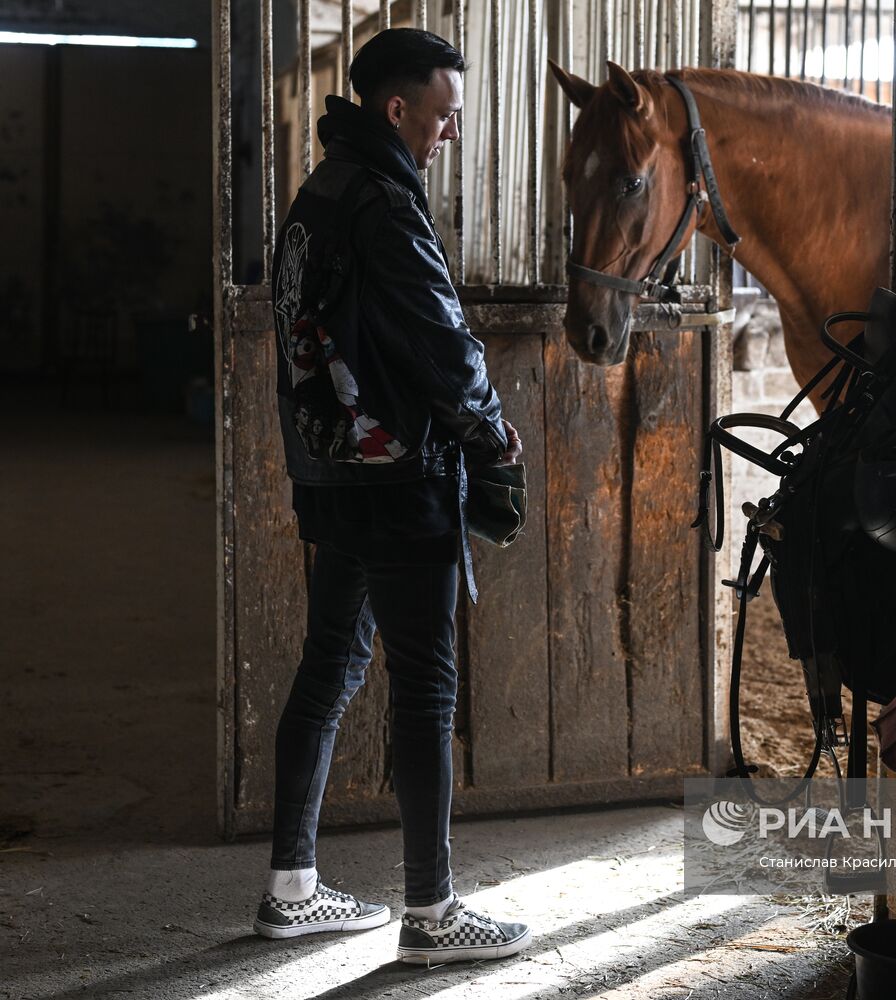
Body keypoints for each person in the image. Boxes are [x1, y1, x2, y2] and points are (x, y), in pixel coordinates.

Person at [254, 27, 531, 965]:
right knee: (425, 690)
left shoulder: (317, 193)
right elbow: (441, 340)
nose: (449, 130)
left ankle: (292, 890)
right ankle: (431, 914)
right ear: (397, 107)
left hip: (333, 471)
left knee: (328, 667)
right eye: (444, 113)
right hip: (402, 475)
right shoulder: (383, 200)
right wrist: (491, 428)